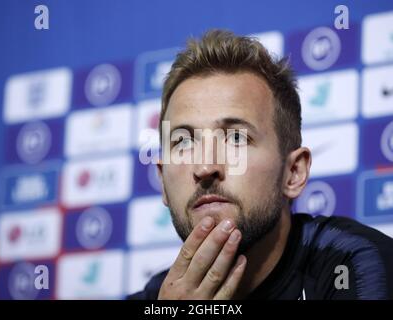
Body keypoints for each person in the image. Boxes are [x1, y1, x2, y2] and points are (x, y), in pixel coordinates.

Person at [128, 30, 393, 300]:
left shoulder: (353, 266)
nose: (205, 167)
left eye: (236, 138)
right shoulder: (158, 298)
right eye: (183, 142)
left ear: (293, 173)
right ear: (161, 180)